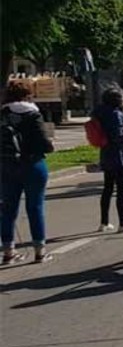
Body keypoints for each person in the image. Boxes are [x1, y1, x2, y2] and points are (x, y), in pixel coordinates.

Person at [1, 82, 55, 264]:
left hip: (7, 165)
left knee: (8, 209)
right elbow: (44, 143)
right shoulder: (33, 113)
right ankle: (40, 251)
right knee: (35, 207)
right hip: (33, 164)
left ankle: (8, 252)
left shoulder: (3, 114)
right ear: (28, 95)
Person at [92, 89, 123, 233]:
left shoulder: (100, 113)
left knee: (107, 189)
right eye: (121, 97)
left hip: (106, 154)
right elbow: (119, 135)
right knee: (122, 191)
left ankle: (104, 222)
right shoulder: (116, 115)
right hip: (119, 155)